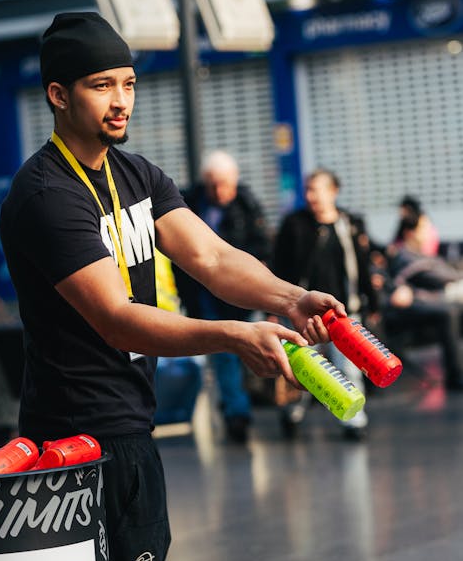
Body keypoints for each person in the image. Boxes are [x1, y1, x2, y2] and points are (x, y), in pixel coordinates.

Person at [0, 11, 345, 561]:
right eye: (101, 86)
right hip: (80, 441)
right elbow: (118, 315)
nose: (120, 101)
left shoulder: (135, 174)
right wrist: (233, 338)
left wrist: (287, 295)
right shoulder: (45, 194)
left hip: (126, 433)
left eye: (127, 85)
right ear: (58, 94)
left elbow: (215, 259)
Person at [272, 168, 378, 440]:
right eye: (307, 190)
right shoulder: (294, 224)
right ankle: (293, 414)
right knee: (305, 369)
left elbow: (361, 266)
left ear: (333, 191)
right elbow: (278, 268)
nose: (309, 196)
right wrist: (274, 308)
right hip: (303, 314)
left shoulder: (349, 224)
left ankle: (354, 422)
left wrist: (372, 302)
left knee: (348, 369)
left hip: (344, 312)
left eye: (315, 190)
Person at [179, 150, 272, 443]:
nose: (219, 191)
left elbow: (262, 248)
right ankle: (237, 412)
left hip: (240, 292)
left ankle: (236, 402)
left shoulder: (247, 205)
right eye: (213, 185)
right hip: (202, 292)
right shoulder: (189, 202)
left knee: (242, 352)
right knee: (226, 353)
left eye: (224, 184)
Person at [382, 211, 463, 390]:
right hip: (403, 310)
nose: (429, 231)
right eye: (424, 227)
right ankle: (455, 376)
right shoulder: (405, 256)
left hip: (423, 302)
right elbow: (436, 277)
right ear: (411, 232)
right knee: (449, 312)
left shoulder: (420, 254)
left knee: (453, 308)